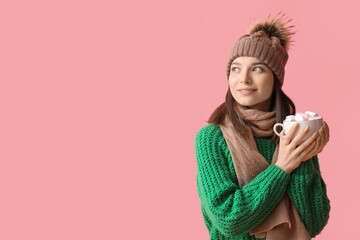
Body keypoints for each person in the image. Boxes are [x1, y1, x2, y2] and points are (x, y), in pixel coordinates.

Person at [195, 15, 330, 240]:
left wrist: (302, 157)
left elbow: (314, 222)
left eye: (257, 69)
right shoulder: (212, 138)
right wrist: (282, 167)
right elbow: (229, 219)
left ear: (275, 78)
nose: (243, 79)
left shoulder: (293, 133)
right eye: (235, 69)